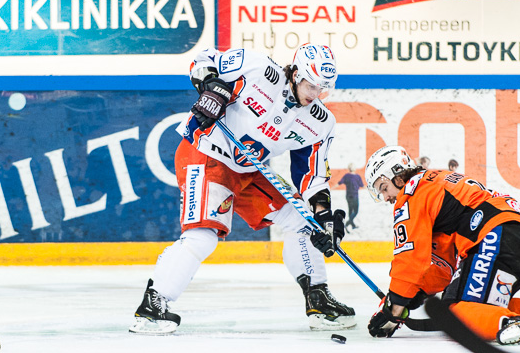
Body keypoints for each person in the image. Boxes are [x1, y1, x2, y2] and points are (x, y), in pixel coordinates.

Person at [130, 44, 355, 334]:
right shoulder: (259, 68)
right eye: (311, 85)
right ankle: (152, 305)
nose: (315, 94)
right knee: (202, 237)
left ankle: (318, 301)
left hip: (249, 170)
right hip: (206, 152)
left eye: (322, 88)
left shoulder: (320, 122)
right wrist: (211, 88)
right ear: (296, 73)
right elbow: (204, 59)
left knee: (304, 222)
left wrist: (323, 217)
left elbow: (311, 176)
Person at [363, 146, 520, 346]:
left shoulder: (411, 195)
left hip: (495, 238)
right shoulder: (433, 183)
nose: (385, 197)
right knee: (474, 304)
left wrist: (394, 307)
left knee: (455, 312)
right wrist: (412, 297)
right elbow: (442, 269)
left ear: (397, 176)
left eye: (383, 188)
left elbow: (409, 258)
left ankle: (508, 323)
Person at [337, 163, 363, 230]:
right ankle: (347, 224)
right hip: (354, 196)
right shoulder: (357, 176)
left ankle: (352, 225)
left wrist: (332, 187)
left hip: (348, 196)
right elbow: (362, 185)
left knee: (350, 210)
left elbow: (340, 182)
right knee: (356, 211)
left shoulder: (346, 176)